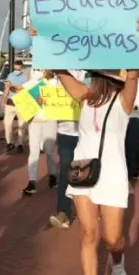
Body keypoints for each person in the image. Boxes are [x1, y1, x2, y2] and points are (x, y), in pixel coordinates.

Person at [56, 68, 139, 275]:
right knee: (88, 234)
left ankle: (117, 260)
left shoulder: (124, 99)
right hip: (84, 173)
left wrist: (134, 41)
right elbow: (61, 70)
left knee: (113, 239)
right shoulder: (85, 95)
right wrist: (44, 40)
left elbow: (133, 74)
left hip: (112, 175)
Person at [49, 69, 87, 230]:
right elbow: (39, 101)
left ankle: (88, 209)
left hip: (86, 133)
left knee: (85, 171)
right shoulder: (55, 79)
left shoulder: (88, 74)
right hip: (64, 133)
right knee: (65, 170)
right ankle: (63, 212)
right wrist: (41, 101)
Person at [23, 69, 59, 195]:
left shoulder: (55, 82)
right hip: (34, 120)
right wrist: (34, 79)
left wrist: (47, 101)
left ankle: (53, 176)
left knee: (49, 151)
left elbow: (59, 101)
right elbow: (24, 92)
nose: (39, 71)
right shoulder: (33, 82)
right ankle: (32, 182)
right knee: (33, 151)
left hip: (50, 119)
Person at [2, 61, 29, 153]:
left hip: (21, 103)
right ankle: (9, 142)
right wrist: (3, 101)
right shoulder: (10, 76)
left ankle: (20, 144)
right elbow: (6, 89)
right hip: (10, 102)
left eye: (18, 69)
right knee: (7, 124)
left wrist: (17, 88)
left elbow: (25, 89)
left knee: (22, 125)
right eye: (15, 69)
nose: (17, 70)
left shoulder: (25, 77)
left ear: (21, 68)